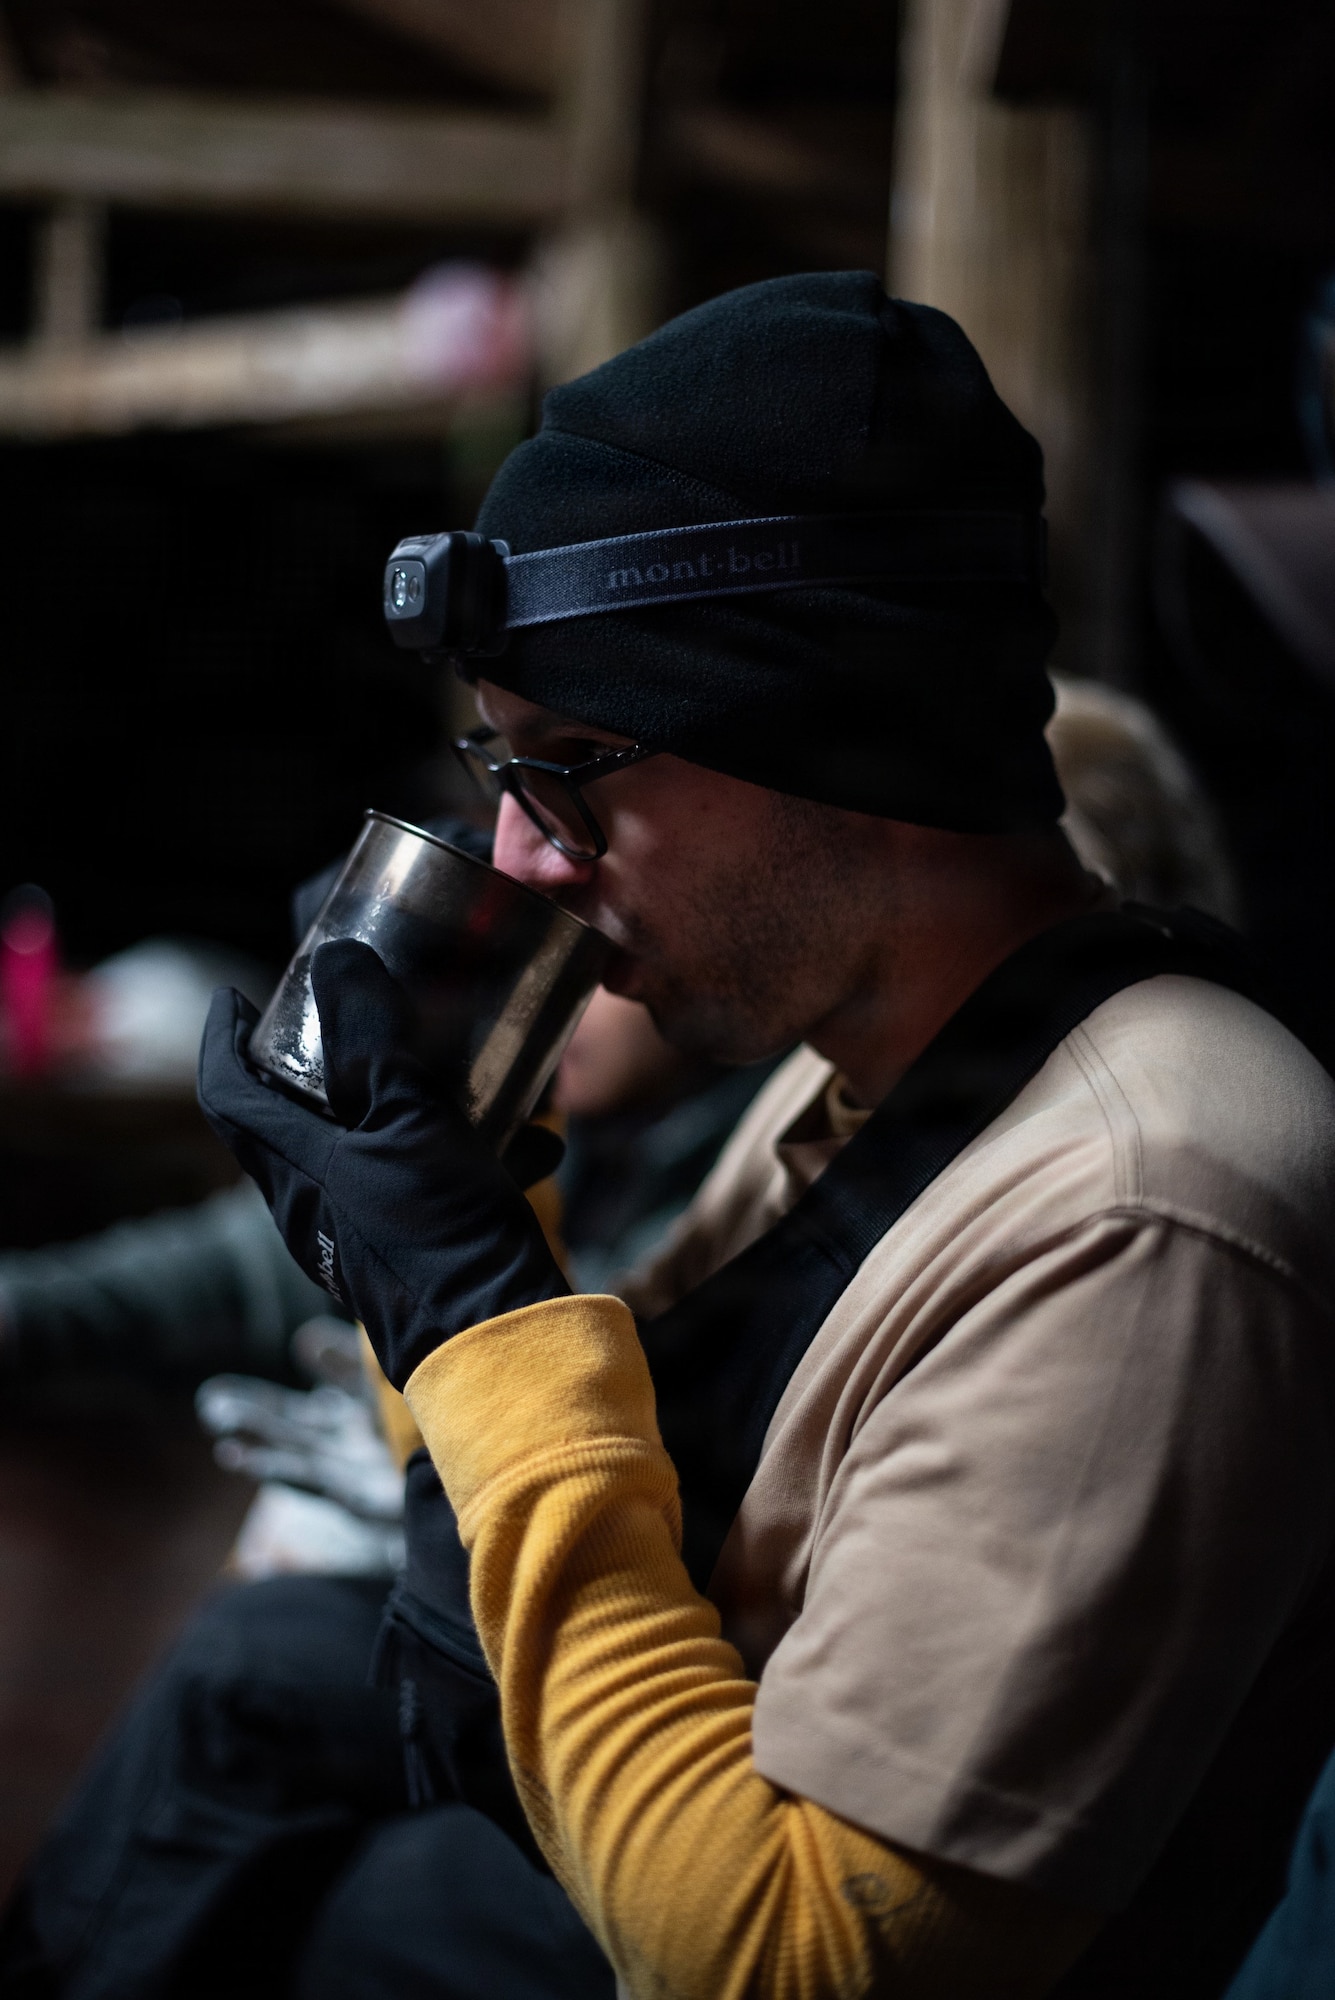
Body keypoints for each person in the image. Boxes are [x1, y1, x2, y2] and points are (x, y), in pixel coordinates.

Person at [10, 271, 1335, 2000]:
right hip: (662, 1798)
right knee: (261, 1693)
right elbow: (641, 1504)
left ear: (827, 724)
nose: (529, 857)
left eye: (571, 769)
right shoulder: (882, 1064)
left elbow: (785, 1967)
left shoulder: (1152, 1195)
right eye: (501, 774)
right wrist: (422, 1237)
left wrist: (475, 1321)